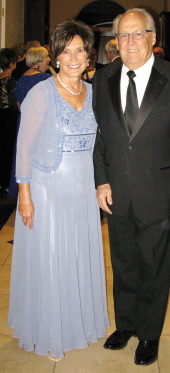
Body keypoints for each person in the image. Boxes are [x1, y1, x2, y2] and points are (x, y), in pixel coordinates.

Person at [92, 8, 170, 366]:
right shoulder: (103, 77)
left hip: (160, 191)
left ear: (153, 38)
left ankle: (150, 334)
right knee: (123, 262)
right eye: (123, 35)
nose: (130, 41)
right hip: (118, 191)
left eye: (138, 33)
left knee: (154, 265)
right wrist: (100, 180)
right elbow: (102, 138)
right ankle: (125, 324)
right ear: (115, 42)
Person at [8, 18, 109, 361]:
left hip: (83, 187)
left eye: (80, 50)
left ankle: (78, 322)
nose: (75, 57)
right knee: (52, 256)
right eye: (67, 51)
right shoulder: (41, 92)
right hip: (48, 187)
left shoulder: (94, 91)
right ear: (55, 55)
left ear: (89, 54)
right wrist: (25, 196)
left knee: (78, 253)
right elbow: (24, 147)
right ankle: (52, 333)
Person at [8, 46, 51, 199]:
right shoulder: (44, 79)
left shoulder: (22, 78)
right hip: (40, 124)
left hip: (23, 122)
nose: (49, 60)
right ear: (39, 60)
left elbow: (19, 105)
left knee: (24, 154)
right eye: (46, 57)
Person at [0, 48, 18, 196]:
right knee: (8, 151)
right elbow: (14, 103)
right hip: (8, 119)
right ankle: (6, 184)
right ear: (12, 63)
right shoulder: (11, 82)